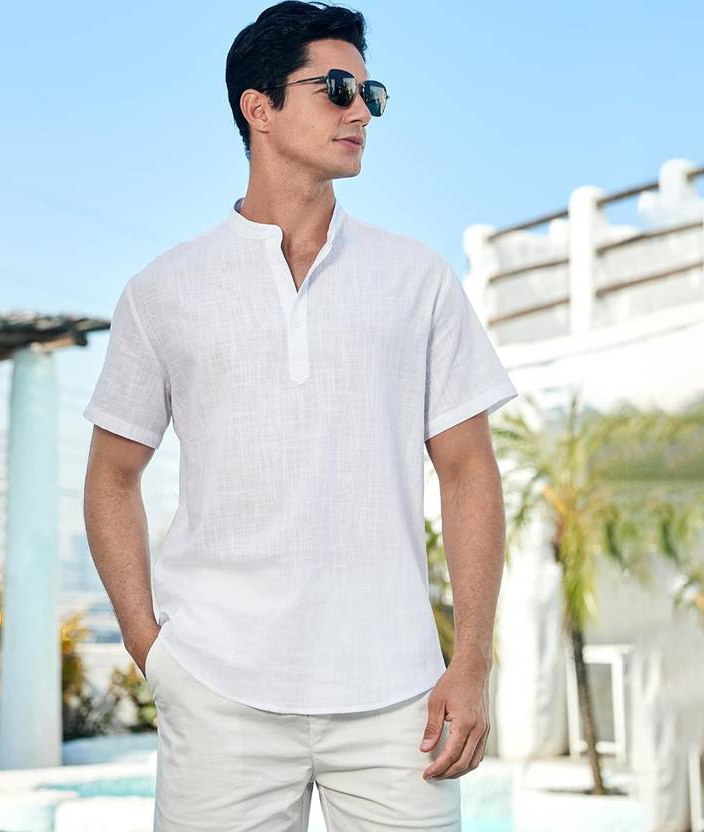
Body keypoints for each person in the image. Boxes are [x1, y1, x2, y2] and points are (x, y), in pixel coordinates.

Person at [83, 2, 518, 829]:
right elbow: (112, 476)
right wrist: (151, 649)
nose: (362, 112)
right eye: (338, 89)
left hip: (399, 696)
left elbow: (468, 472)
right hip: (218, 690)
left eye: (370, 94)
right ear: (260, 107)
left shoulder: (416, 278)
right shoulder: (164, 290)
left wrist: (471, 662)